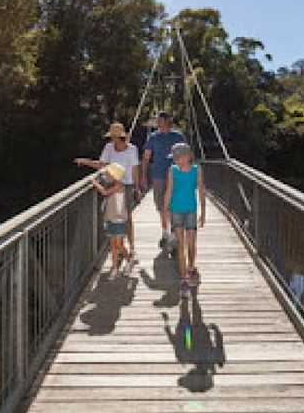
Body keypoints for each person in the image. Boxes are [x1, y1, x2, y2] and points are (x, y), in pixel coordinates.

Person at [75, 122, 140, 266]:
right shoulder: (109, 148)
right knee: (115, 218)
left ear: (119, 137)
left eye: (113, 137)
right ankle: (119, 249)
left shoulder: (132, 149)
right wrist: (85, 162)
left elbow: (135, 169)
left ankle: (131, 247)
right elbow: (102, 165)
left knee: (126, 218)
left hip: (127, 186)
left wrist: (137, 188)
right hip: (111, 185)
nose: (112, 140)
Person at [163, 142, 206, 297]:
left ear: (187, 157)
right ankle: (184, 281)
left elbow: (201, 190)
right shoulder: (172, 170)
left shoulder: (197, 169)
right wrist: (164, 211)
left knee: (191, 245)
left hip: (191, 211)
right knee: (180, 246)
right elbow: (169, 190)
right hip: (176, 211)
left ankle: (191, 267)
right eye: (174, 158)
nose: (175, 160)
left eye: (177, 157)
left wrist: (204, 212)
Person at [141, 111, 185, 246]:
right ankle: (165, 231)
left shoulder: (178, 136)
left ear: (167, 121)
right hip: (158, 176)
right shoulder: (153, 137)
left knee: (174, 205)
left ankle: (172, 233)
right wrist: (143, 176)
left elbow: (186, 155)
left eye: (159, 121)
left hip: (175, 175)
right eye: (157, 121)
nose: (157, 123)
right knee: (160, 205)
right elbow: (146, 157)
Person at [91, 162, 128, 279]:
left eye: (109, 174)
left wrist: (95, 183)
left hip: (119, 219)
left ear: (114, 176)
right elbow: (104, 178)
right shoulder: (113, 183)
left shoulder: (119, 185)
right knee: (113, 245)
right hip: (111, 218)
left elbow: (105, 192)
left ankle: (129, 259)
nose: (107, 175)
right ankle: (115, 268)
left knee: (119, 244)